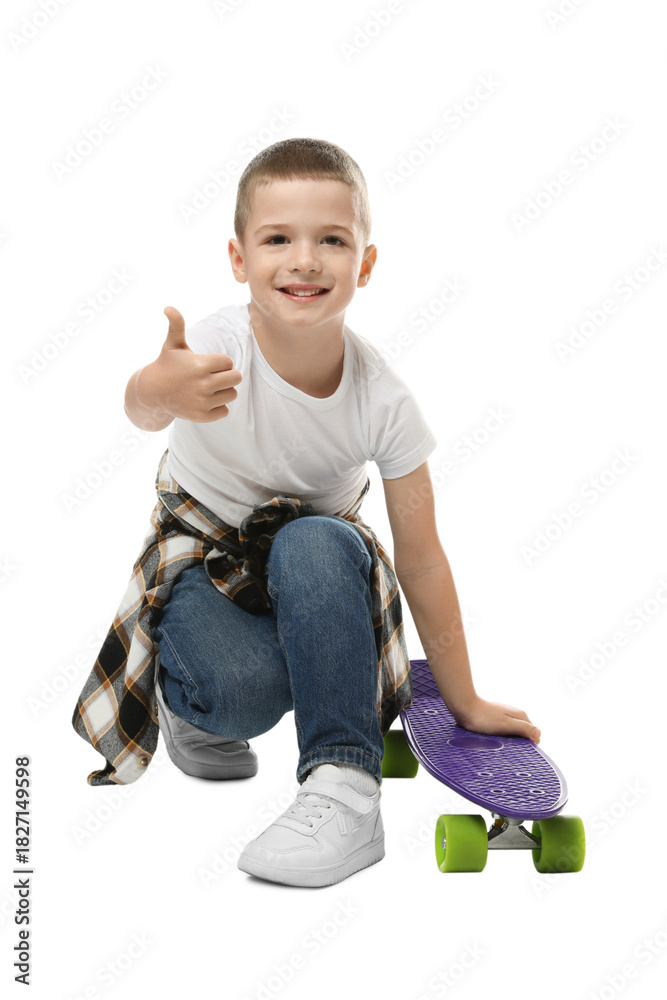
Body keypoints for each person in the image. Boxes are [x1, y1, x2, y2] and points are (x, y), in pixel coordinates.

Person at [73, 137, 540, 888]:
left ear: (365, 263)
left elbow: (422, 558)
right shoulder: (217, 348)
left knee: (316, 538)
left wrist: (463, 698)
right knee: (240, 695)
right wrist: (159, 388)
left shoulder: (384, 400)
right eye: (277, 240)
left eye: (331, 240)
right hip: (208, 566)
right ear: (238, 258)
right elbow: (141, 408)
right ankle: (192, 703)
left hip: (318, 574)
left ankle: (345, 790)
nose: (305, 261)